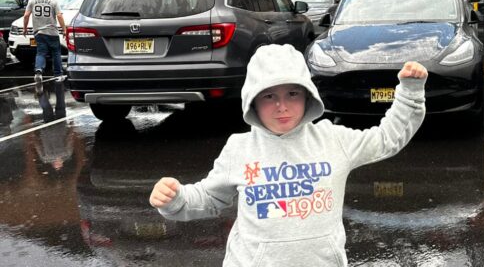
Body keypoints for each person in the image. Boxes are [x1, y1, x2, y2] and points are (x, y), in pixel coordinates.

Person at [149, 44, 427, 266]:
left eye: (292, 93)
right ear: (253, 101)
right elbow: (209, 198)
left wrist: (410, 94)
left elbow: (387, 139)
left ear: (308, 96)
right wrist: (176, 199)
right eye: (269, 96)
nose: (282, 106)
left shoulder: (333, 139)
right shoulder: (239, 148)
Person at [23, 0, 66, 84]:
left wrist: (25, 28)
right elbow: (59, 16)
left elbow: (26, 15)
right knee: (56, 53)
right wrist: (64, 29)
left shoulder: (32, 1)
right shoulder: (54, 1)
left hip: (38, 32)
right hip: (52, 32)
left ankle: (39, 71)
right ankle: (58, 75)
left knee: (41, 52)